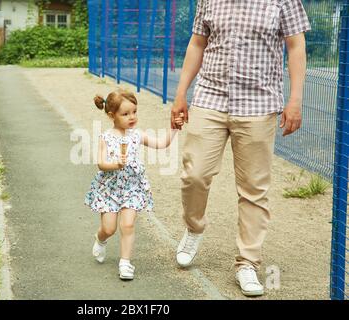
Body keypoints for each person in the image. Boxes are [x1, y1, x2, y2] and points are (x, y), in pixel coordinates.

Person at [171, 0, 310, 296]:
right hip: (210, 98)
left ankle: (247, 262)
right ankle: (194, 228)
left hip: (258, 104)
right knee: (193, 174)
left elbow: (296, 45)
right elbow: (197, 43)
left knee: (253, 189)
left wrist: (295, 100)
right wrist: (181, 93)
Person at [85, 89, 184, 280]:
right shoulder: (106, 137)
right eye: (125, 114)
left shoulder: (137, 135)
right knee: (109, 228)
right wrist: (116, 164)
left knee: (128, 224)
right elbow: (101, 163)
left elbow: (162, 143)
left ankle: (125, 263)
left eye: (134, 112)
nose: (132, 117)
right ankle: (100, 238)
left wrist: (174, 128)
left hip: (132, 187)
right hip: (110, 189)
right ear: (111, 115)